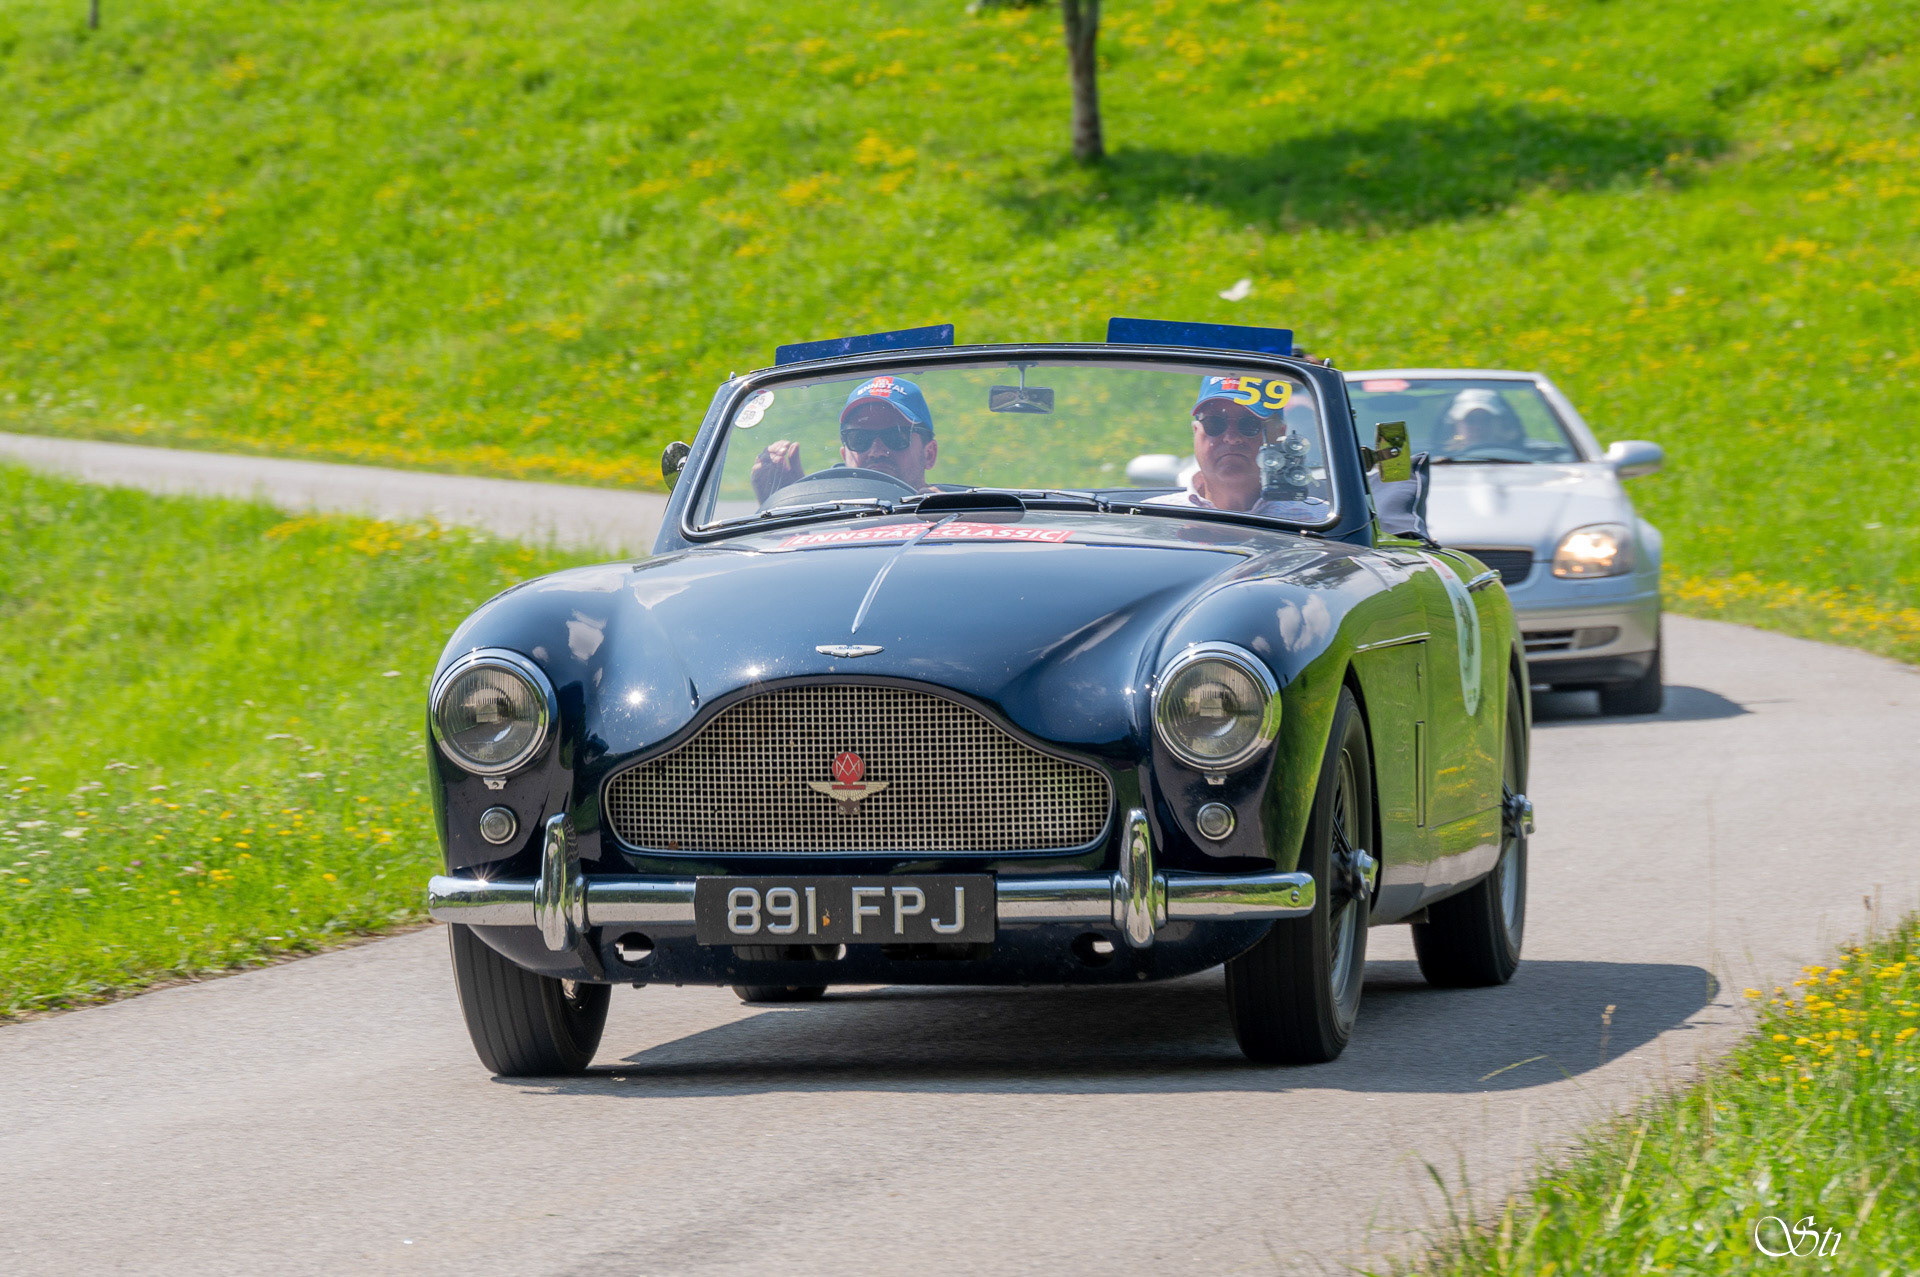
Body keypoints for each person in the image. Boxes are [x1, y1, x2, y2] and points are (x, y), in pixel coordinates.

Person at [1148, 374, 1323, 515]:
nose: (1231, 438)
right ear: (1196, 432)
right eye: (1214, 423)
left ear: (1279, 435)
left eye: (1250, 425)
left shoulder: (1322, 521)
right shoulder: (1155, 518)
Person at [750, 375, 940, 502]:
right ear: (844, 455)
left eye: (896, 436)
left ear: (929, 454)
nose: (876, 451)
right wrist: (787, 500)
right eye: (859, 439)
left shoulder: (953, 519)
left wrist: (947, 514)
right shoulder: (825, 517)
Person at [1436, 388, 1527, 456]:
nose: (1478, 427)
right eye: (1471, 420)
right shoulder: (1440, 461)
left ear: (1500, 423)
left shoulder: (1522, 458)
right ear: (1456, 424)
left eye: (1486, 419)